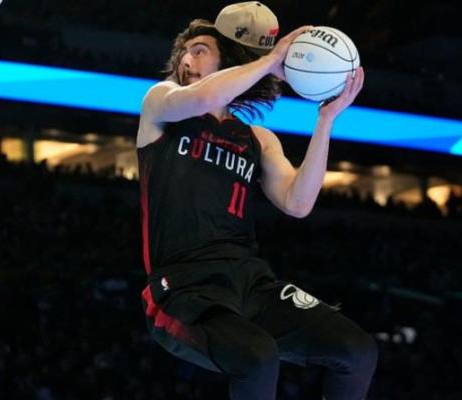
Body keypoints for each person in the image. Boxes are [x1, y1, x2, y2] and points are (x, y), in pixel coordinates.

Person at [136, 2, 374, 399]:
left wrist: (326, 121)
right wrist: (272, 59)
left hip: (249, 281)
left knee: (357, 351)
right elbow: (201, 99)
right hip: (183, 289)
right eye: (187, 49)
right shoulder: (162, 103)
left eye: (200, 50)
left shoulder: (259, 140)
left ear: (227, 61)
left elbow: (298, 203)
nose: (187, 57)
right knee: (259, 357)